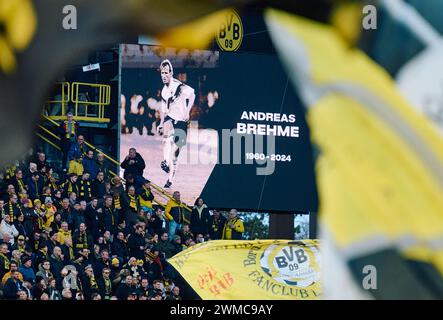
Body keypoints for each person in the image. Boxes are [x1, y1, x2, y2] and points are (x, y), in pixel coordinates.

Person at [157, 59, 195, 188]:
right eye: (162, 73)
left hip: (182, 121)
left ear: (171, 73)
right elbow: (164, 110)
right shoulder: (163, 91)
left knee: (175, 153)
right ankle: (165, 162)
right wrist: (161, 123)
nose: (164, 75)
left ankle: (170, 179)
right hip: (170, 118)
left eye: (166, 73)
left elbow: (193, 94)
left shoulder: (179, 86)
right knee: (166, 140)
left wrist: (188, 112)